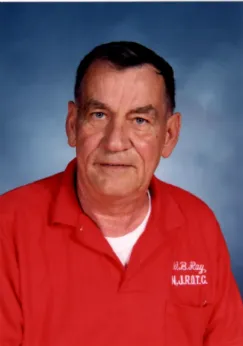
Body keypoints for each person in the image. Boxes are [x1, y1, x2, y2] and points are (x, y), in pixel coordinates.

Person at [0, 41, 242, 346]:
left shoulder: (199, 223)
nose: (115, 142)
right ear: (73, 125)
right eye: (99, 115)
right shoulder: (8, 225)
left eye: (140, 120)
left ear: (169, 135)